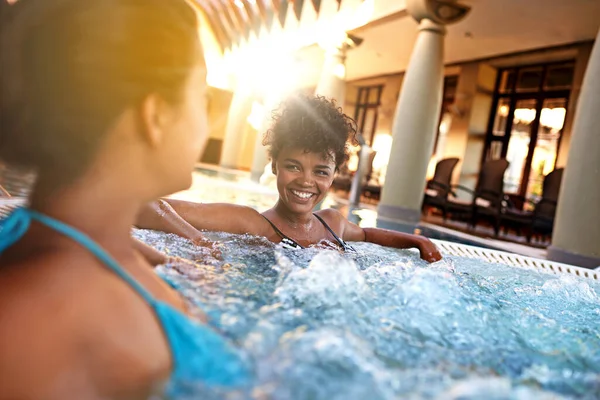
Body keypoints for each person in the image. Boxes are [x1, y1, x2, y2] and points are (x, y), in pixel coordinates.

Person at [0, 0, 247, 398]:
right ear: (156, 116)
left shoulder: (82, 244)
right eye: (202, 95)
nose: (207, 119)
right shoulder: (41, 317)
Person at [137, 95, 442, 263]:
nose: (306, 181)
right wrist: (198, 240)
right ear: (274, 166)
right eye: (294, 166)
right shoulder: (250, 223)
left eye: (321, 171)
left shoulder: (332, 224)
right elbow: (145, 204)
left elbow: (367, 235)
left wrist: (416, 240)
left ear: (334, 176)